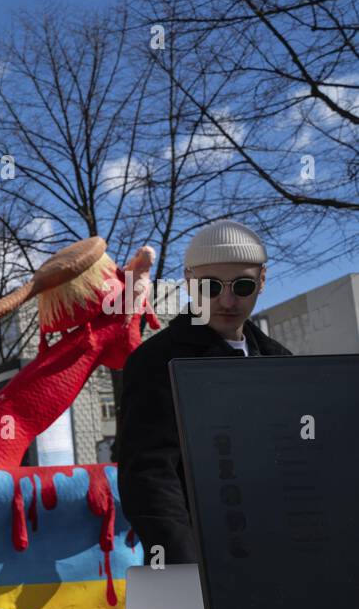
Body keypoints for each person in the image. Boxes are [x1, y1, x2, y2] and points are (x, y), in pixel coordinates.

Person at [116, 219, 291, 567]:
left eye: (242, 285)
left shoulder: (278, 360)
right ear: (188, 282)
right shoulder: (156, 362)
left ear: (262, 280)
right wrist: (186, 567)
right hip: (206, 564)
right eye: (210, 286)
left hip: (281, 556)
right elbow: (148, 477)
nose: (227, 300)